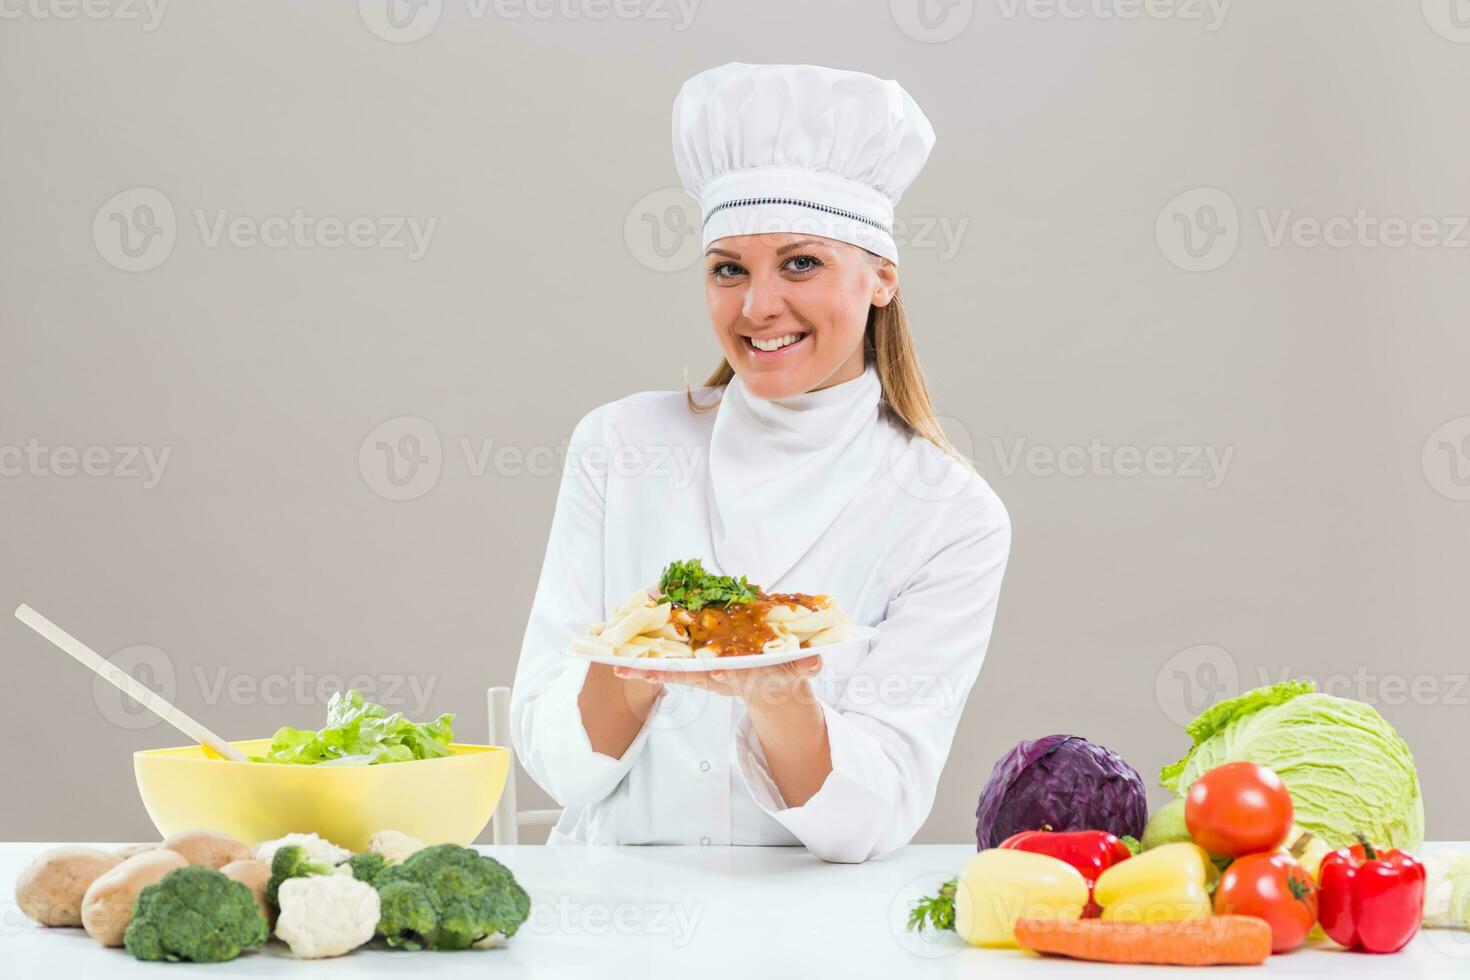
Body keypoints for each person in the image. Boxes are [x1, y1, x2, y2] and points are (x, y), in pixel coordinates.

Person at [510, 62, 1011, 863]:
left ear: (882, 276)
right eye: (728, 269)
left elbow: (870, 823)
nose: (757, 306)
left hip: (811, 923)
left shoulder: (949, 514)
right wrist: (647, 650)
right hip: (610, 914)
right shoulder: (620, 446)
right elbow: (555, 764)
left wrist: (781, 701)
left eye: (801, 263)